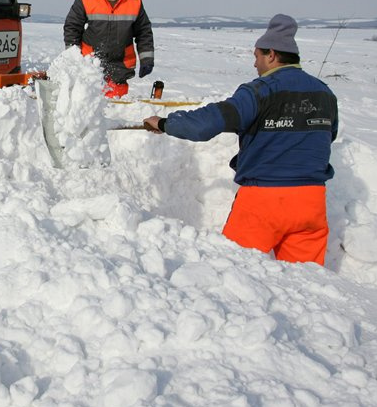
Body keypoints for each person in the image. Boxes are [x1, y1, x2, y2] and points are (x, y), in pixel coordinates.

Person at [143, 14, 338, 265]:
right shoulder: (325, 94)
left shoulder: (260, 91)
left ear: (271, 55)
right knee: (304, 283)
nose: (255, 64)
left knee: (234, 273)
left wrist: (165, 123)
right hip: (311, 203)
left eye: (257, 56)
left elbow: (207, 124)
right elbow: (328, 137)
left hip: (264, 201)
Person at [63, 0, 155, 97]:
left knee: (116, 110)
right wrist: (73, 56)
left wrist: (147, 59)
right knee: (86, 107)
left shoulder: (135, 1)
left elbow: (144, 32)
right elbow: (72, 27)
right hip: (90, 66)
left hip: (120, 67)